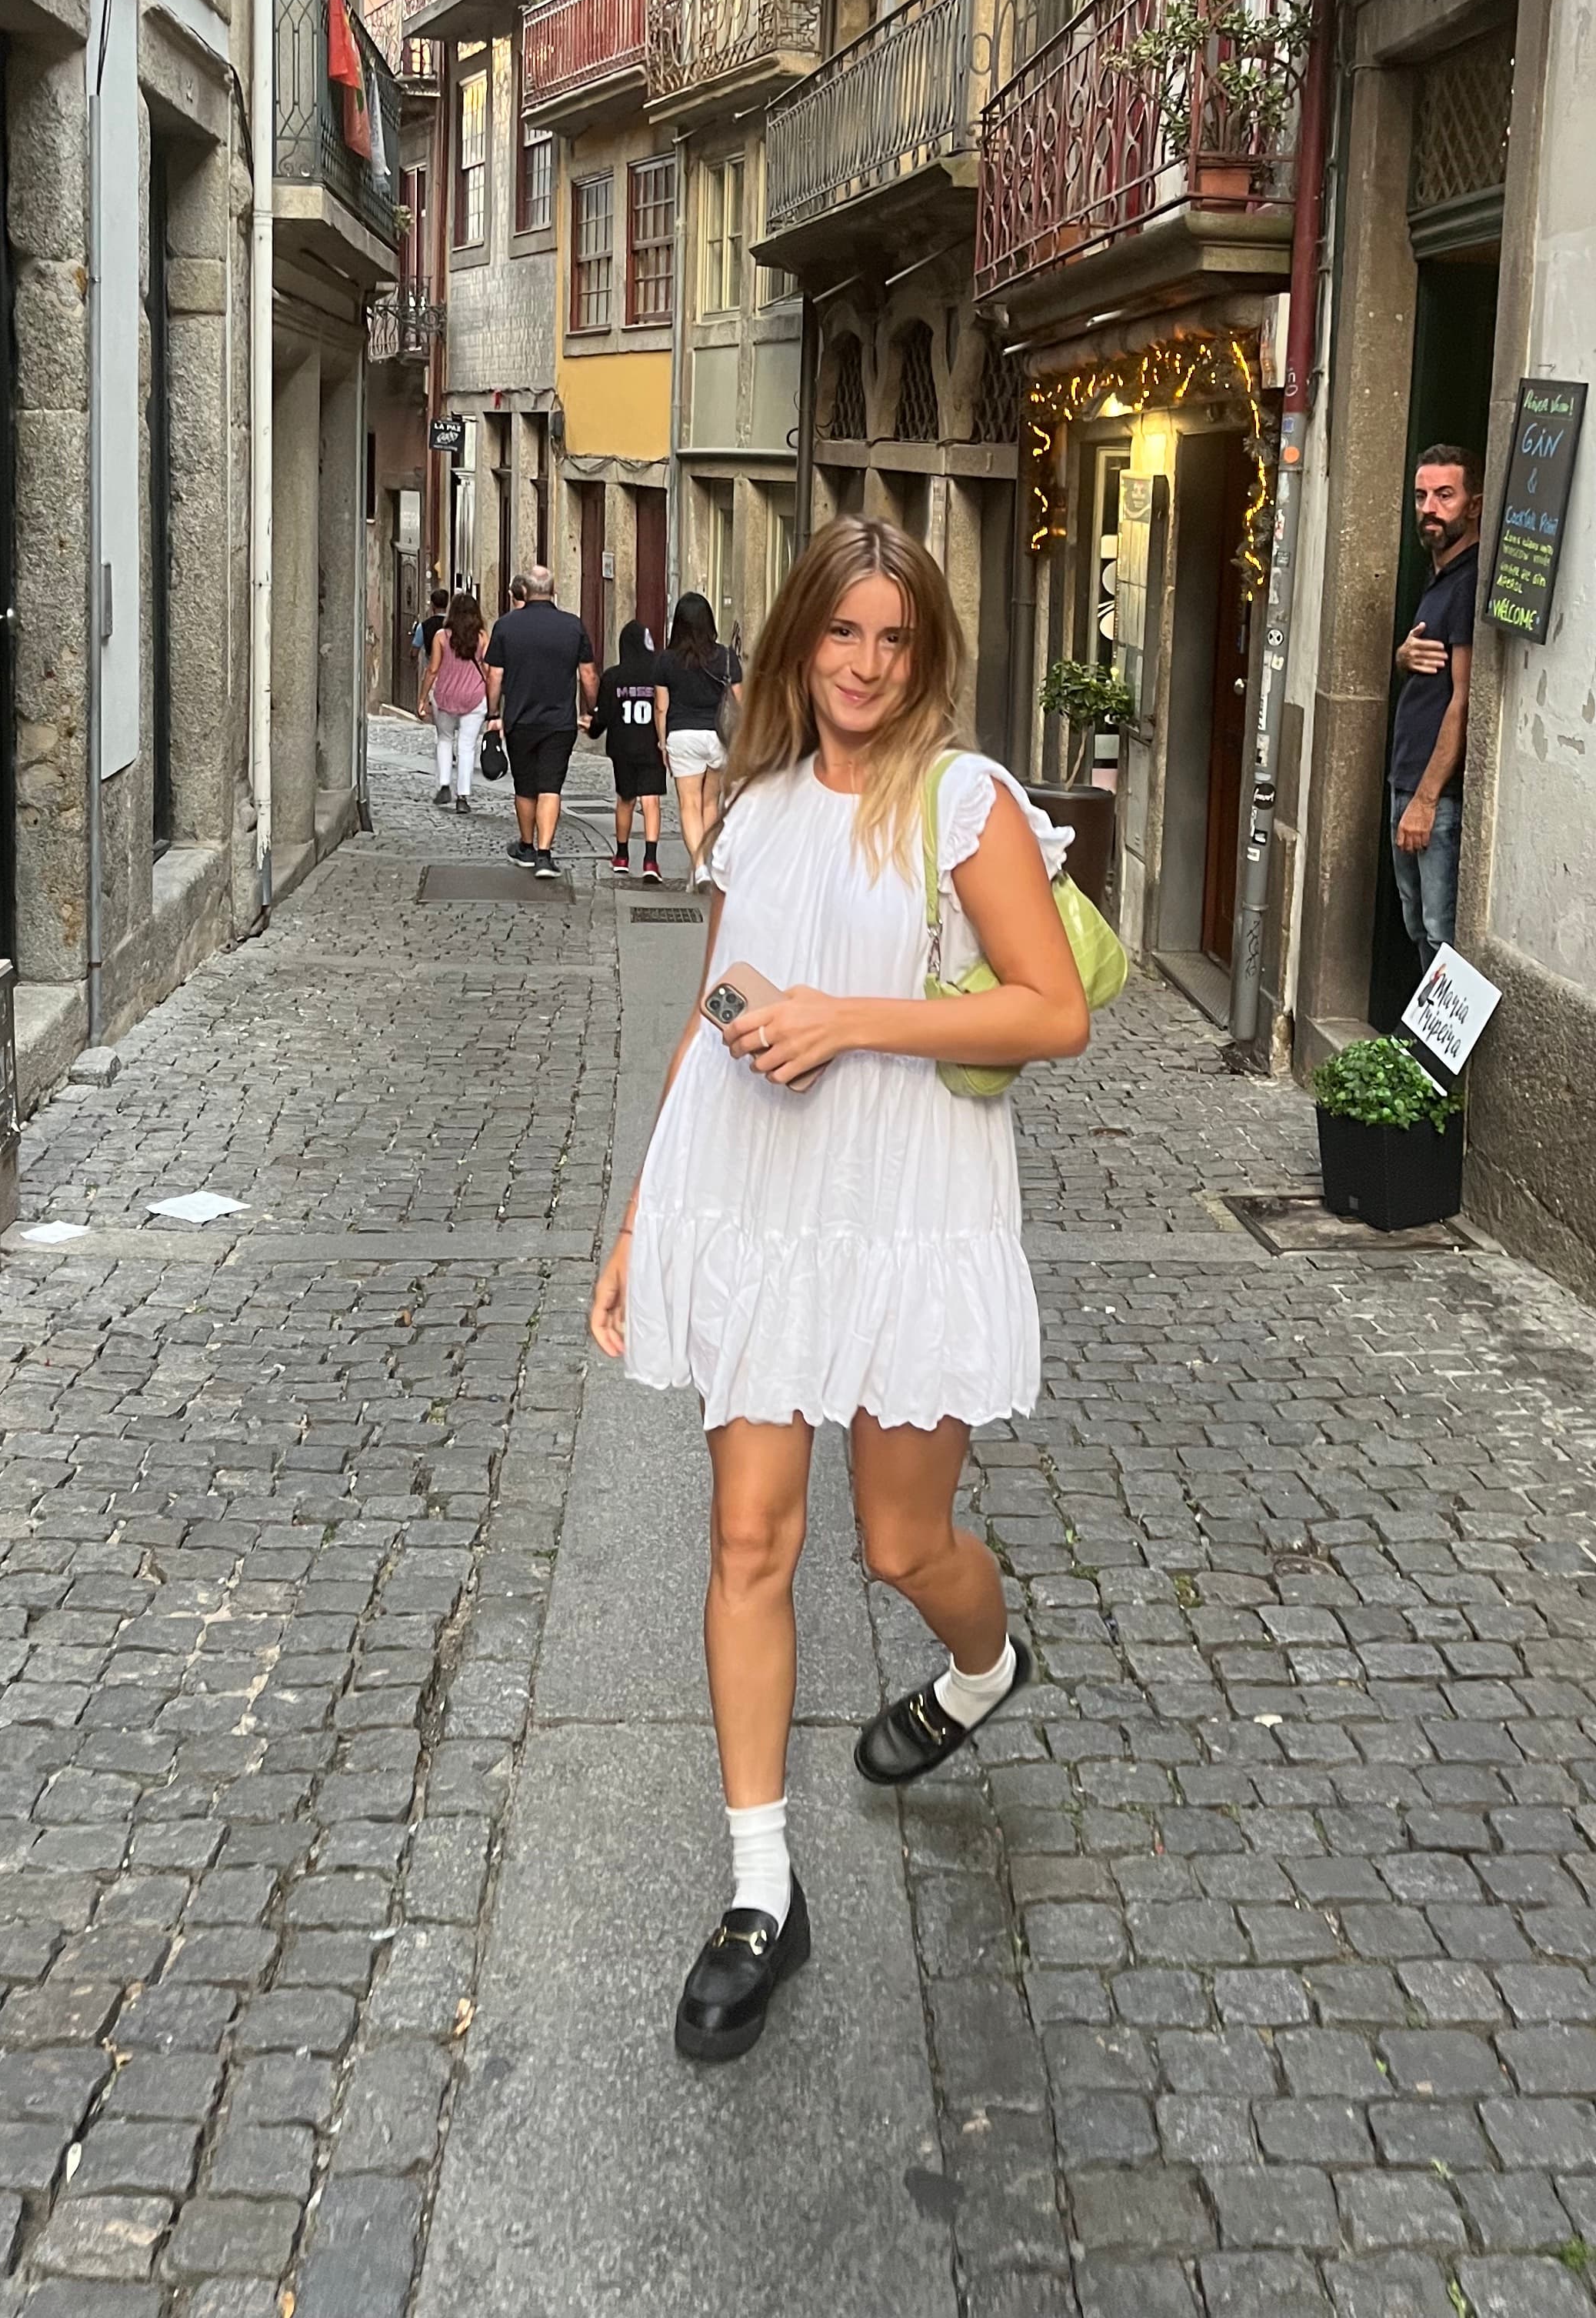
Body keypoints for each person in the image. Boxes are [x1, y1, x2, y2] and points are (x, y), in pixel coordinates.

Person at [590, 517, 1091, 2066]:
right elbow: (713, 1015)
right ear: (796, 643)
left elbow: (1052, 1009)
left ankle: (988, 1664)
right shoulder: (752, 810)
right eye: (839, 635)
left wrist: (846, 1022)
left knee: (899, 1542)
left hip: (903, 1206)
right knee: (748, 1539)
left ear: (924, 651)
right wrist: (638, 1219)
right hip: (751, 1191)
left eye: (892, 639)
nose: (864, 665)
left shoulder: (965, 804)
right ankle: (759, 1893)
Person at [1390, 443, 1483, 959]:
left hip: (1435, 794)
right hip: (1407, 777)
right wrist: (1404, 657)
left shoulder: (1470, 581)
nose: (1430, 507)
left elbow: (1465, 701)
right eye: (1422, 495)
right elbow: (1435, 668)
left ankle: (1436, 1044)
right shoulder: (1441, 576)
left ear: (1474, 504)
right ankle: (1419, 1041)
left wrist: (1426, 801)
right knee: (1416, 922)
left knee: (1439, 934)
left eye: (1445, 495)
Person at [485, 559, 596, 881]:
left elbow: (495, 674)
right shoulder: (573, 626)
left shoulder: (506, 626)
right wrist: (592, 709)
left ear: (525, 591)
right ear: (553, 591)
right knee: (551, 786)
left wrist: (494, 714)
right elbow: (588, 674)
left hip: (520, 718)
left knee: (525, 786)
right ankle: (545, 855)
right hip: (560, 721)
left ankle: (526, 846)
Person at [663, 590, 742, 889]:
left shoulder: (667, 660)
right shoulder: (726, 657)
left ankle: (698, 868)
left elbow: (662, 706)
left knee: (689, 804)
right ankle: (706, 864)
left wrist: (662, 743)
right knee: (711, 803)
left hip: (682, 736)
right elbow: (739, 700)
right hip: (717, 737)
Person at [591, 618, 670, 880]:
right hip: (652, 745)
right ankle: (650, 861)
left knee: (625, 800)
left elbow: (604, 716)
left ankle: (622, 855)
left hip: (622, 746)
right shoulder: (658, 672)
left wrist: (590, 729)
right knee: (651, 801)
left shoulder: (614, 676)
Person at [422, 590, 488, 812]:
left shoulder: (441, 636)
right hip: (475, 695)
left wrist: (422, 698)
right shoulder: (481, 637)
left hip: (446, 694)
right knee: (467, 746)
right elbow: (488, 670)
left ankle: (443, 785)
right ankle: (463, 796)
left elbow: (433, 670)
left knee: (444, 739)